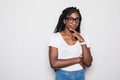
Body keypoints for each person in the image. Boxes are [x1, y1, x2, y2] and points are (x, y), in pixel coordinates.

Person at [48, 6, 93, 80]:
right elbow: (54, 63)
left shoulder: (84, 37)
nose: (74, 22)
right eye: (70, 19)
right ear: (64, 21)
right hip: (62, 75)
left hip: (80, 75)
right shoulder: (55, 37)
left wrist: (82, 41)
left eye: (77, 19)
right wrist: (78, 59)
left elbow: (88, 63)